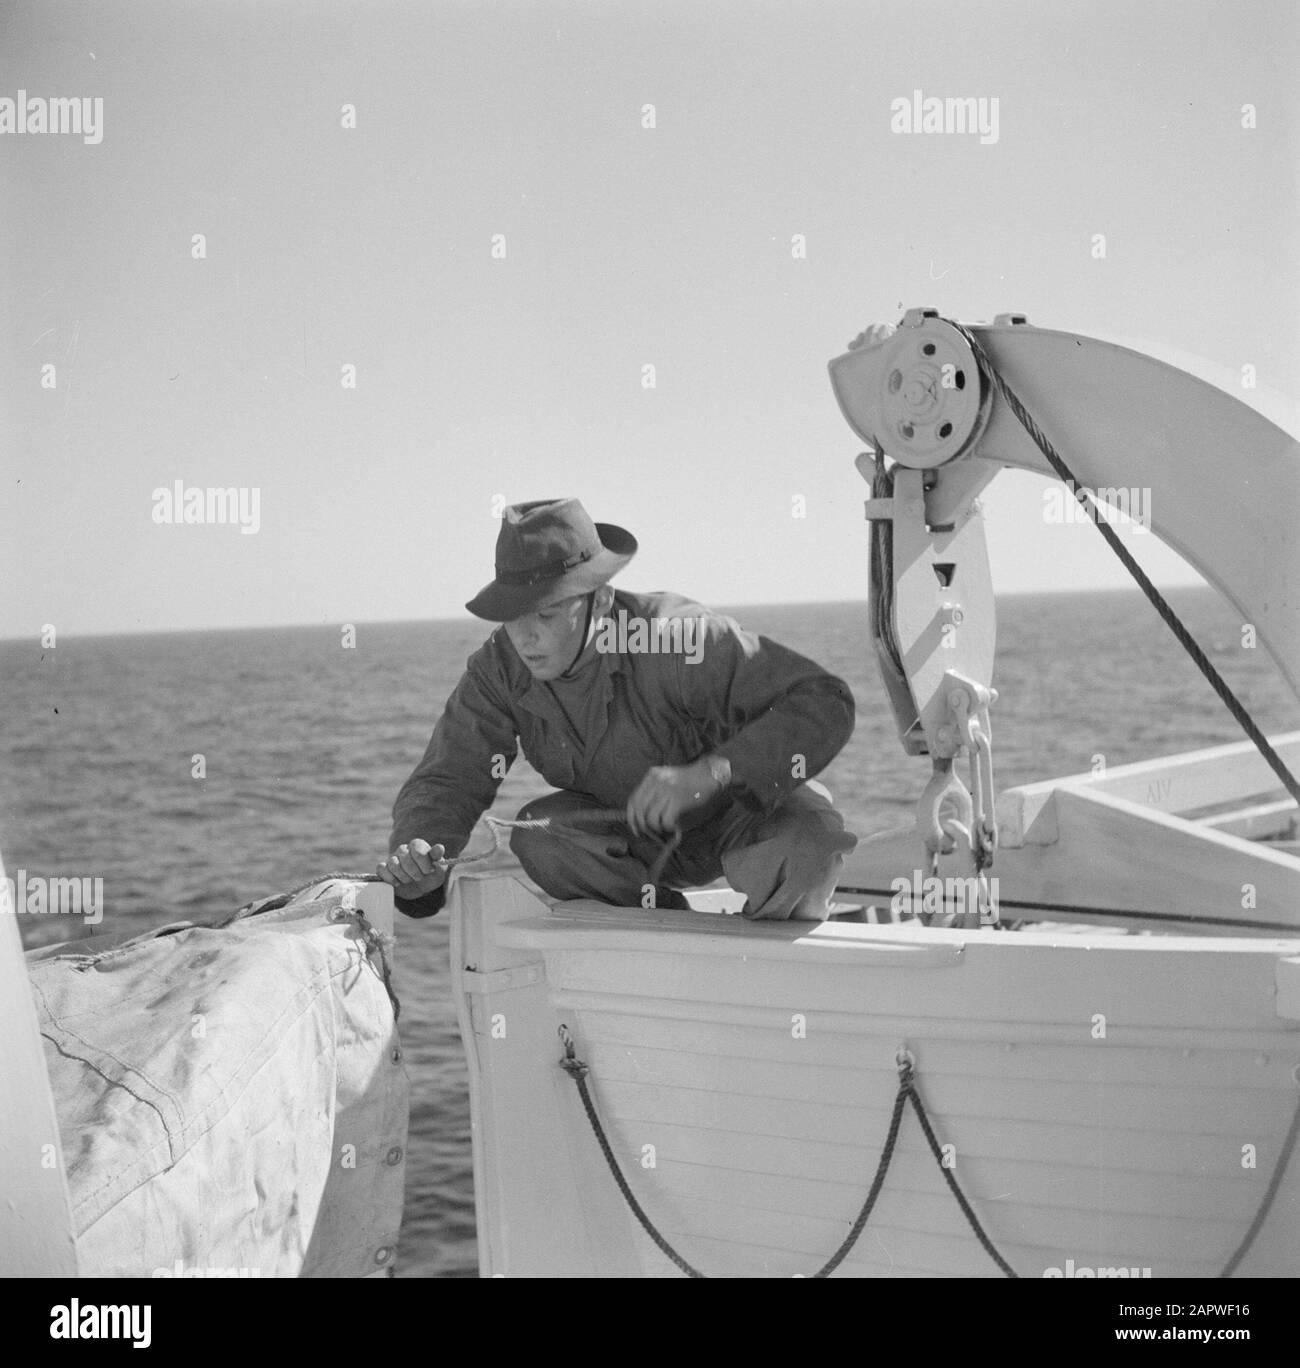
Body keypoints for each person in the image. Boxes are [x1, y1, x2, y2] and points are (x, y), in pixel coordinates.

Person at [378, 498, 857, 920]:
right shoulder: (499, 669)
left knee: (809, 848)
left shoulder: (676, 637)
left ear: (601, 600)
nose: (524, 637)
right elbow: (450, 778)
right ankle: (667, 938)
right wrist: (420, 854)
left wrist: (713, 774)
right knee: (540, 837)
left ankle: (769, 976)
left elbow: (822, 699)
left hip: (745, 816)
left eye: (545, 614)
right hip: (637, 841)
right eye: (511, 617)